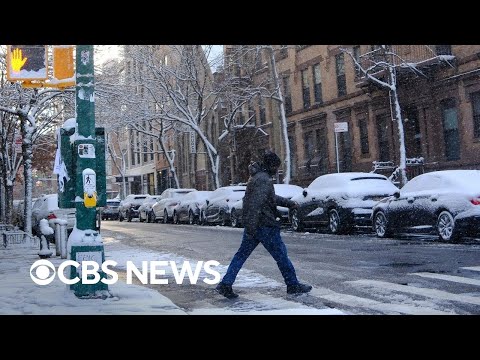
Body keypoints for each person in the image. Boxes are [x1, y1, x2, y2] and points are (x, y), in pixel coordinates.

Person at [216, 151, 312, 299]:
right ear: (271, 165)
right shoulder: (263, 179)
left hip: (255, 225)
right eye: (276, 166)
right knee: (281, 256)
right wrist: (253, 228)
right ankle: (292, 285)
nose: (277, 169)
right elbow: (256, 204)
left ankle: (226, 284)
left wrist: (289, 203)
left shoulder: (259, 177)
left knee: (241, 256)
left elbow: (269, 198)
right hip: (264, 226)